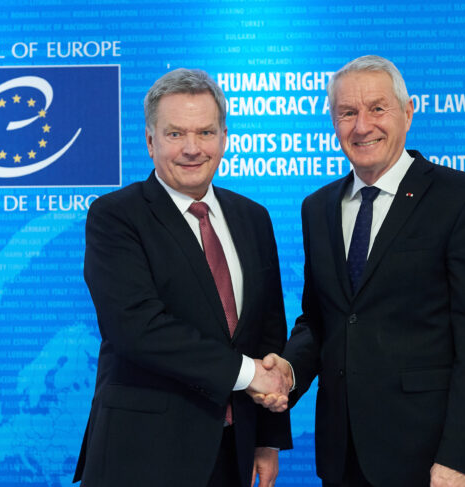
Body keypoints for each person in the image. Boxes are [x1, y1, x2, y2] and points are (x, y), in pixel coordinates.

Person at [256, 55, 465, 486]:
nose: (362, 125)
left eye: (377, 108)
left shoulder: (463, 200)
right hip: (341, 454)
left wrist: (461, 458)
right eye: (347, 113)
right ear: (333, 122)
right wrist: (289, 372)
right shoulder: (317, 208)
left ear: (408, 112)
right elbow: (322, 319)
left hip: (428, 460)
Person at [73, 68, 292, 487]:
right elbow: (138, 328)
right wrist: (249, 375)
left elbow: (268, 331)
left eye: (206, 133)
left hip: (234, 451)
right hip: (143, 455)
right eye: (175, 134)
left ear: (224, 137)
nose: (192, 148)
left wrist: (267, 439)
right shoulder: (116, 216)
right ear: (151, 141)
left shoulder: (253, 217)